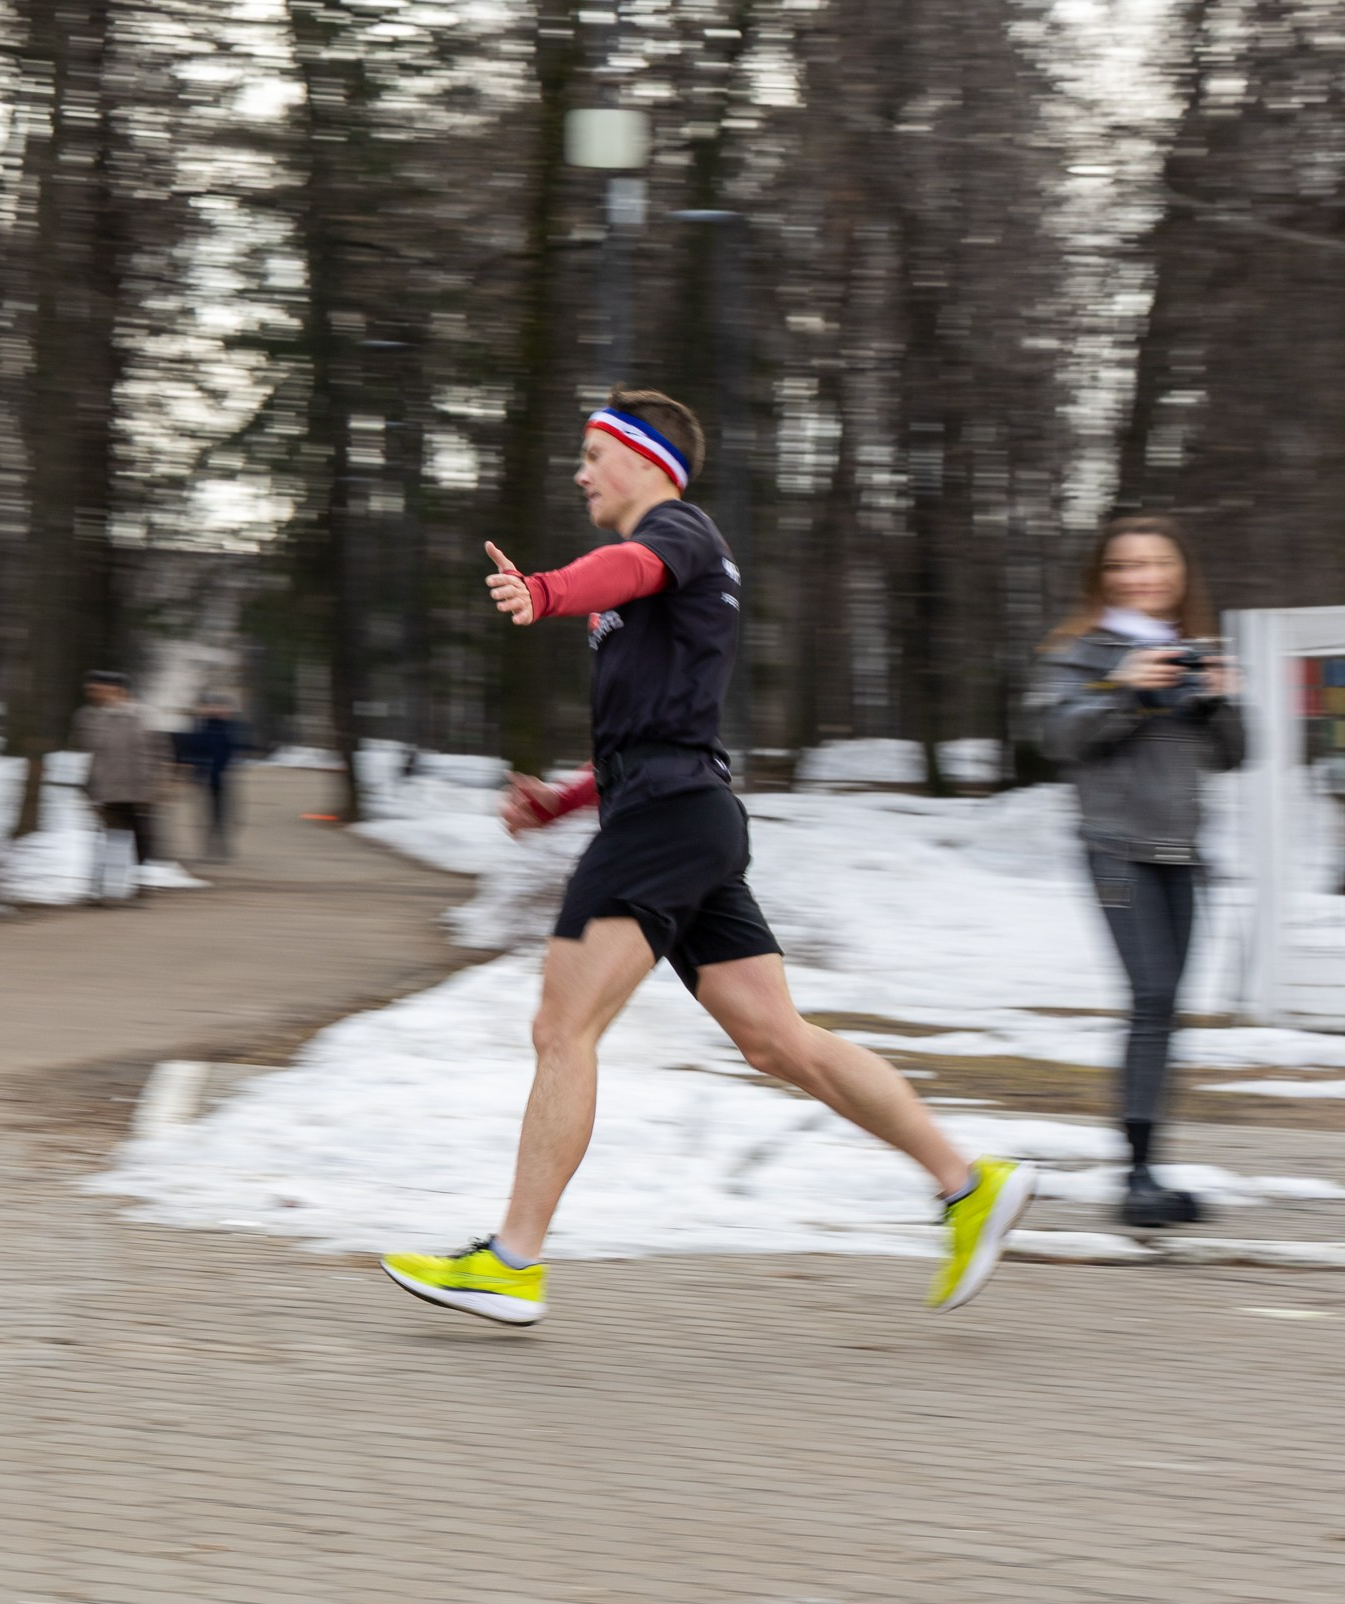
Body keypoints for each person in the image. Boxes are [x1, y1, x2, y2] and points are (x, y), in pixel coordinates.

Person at [379, 386, 1038, 1326]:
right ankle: (967, 1184)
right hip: (687, 813)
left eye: (592, 455)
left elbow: (627, 569)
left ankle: (512, 1261)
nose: (579, 473)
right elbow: (659, 729)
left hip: (665, 823)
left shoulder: (677, 533)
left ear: (645, 460)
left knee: (562, 1028)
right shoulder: (662, 574)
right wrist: (564, 800)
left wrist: (546, 592)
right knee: (776, 1040)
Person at [1031, 518, 1243, 1227]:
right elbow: (1056, 736)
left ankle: (1150, 1169)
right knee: (1151, 998)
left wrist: (1220, 698)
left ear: (1180, 575)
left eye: (1157, 563)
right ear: (1103, 577)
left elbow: (1234, 754)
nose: (1142, 577)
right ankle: (1137, 1177)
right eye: (1125, 565)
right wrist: (1124, 689)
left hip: (1183, 853)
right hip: (1117, 849)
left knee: (1167, 1008)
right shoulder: (1079, 653)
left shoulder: (1195, 650)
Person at [69, 670, 169, 902]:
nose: (92, 693)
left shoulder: (142, 716)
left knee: (140, 839)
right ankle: (104, 889)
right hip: (106, 790)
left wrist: (157, 784)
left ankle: (138, 883)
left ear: (116, 690)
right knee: (109, 838)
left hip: (139, 790)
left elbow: (160, 751)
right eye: (90, 689)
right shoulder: (87, 717)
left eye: (97, 689)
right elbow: (84, 752)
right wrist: (88, 785)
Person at [180, 689, 245, 861]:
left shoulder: (226, 728)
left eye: (222, 707)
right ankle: (208, 849)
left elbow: (234, 748)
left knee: (223, 815)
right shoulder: (201, 727)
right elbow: (191, 748)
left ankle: (222, 848)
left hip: (221, 778)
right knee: (204, 816)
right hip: (202, 778)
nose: (218, 710)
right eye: (215, 706)